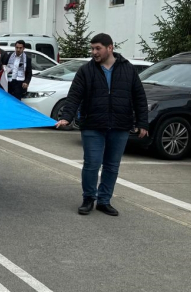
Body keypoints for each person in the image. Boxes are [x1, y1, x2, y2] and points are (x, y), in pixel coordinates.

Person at [56, 33, 149, 217]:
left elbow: (139, 97)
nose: (94, 52)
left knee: (112, 165)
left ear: (110, 48)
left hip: (120, 125)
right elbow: (75, 95)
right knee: (92, 163)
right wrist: (67, 116)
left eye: (98, 48)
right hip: (93, 124)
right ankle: (89, 198)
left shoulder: (128, 69)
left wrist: (142, 123)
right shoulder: (86, 70)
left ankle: (104, 201)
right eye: (92, 48)